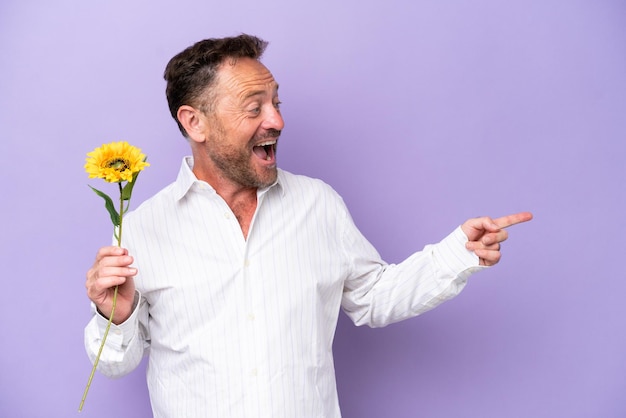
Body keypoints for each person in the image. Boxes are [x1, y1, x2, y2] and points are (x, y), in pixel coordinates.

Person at [84, 34, 532, 417]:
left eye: (275, 102)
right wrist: (113, 316)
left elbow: (375, 297)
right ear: (194, 122)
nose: (276, 120)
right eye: (253, 107)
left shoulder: (317, 204)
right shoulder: (141, 230)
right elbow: (115, 363)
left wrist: (460, 253)